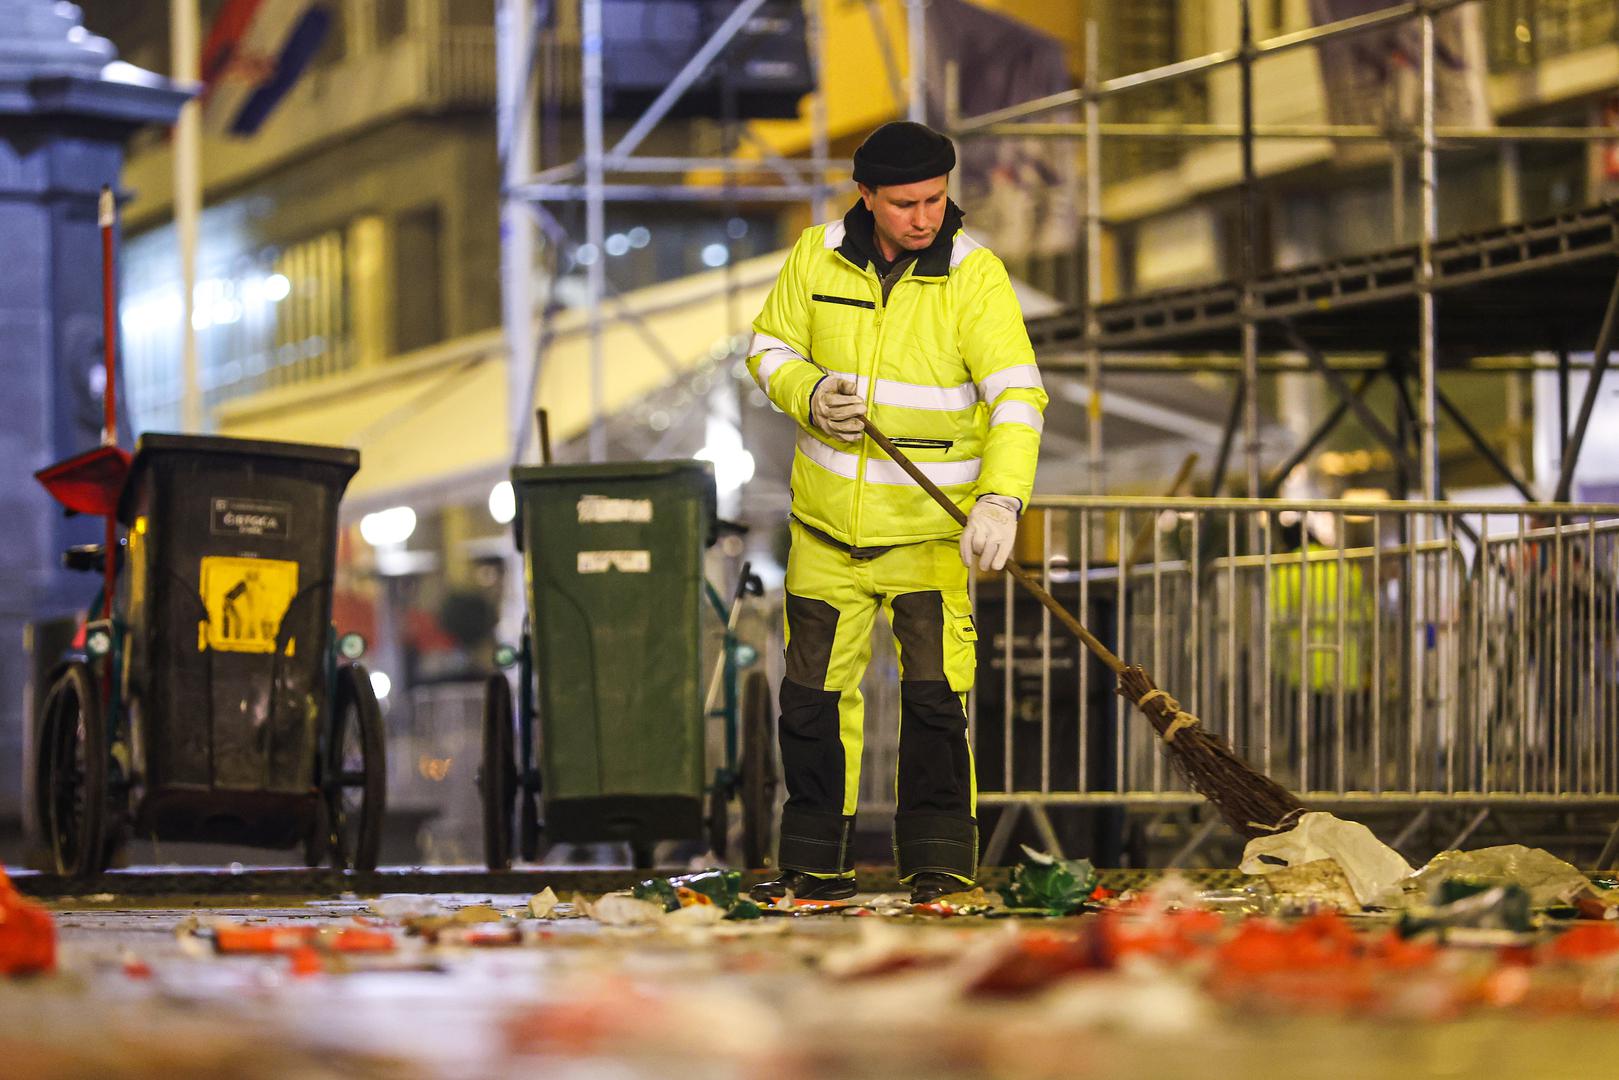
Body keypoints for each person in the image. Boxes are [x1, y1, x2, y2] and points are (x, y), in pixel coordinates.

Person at [744, 121, 1046, 905]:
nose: (923, 216)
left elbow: (1017, 396)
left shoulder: (974, 278)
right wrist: (807, 393)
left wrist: (1001, 500)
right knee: (809, 704)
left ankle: (939, 865)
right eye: (905, 202)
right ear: (866, 197)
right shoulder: (814, 257)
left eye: (936, 199)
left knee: (934, 705)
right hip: (824, 534)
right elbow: (769, 349)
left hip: (925, 537)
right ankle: (814, 864)